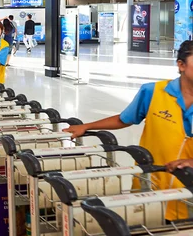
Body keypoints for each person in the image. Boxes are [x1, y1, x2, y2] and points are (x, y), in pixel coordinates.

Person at [63, 41, 193, 221]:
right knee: (145, 226)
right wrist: (86, 126)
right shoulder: (154, 91)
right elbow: (123, 119)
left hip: (188, 195)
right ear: (181, 65)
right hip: (150, 185)